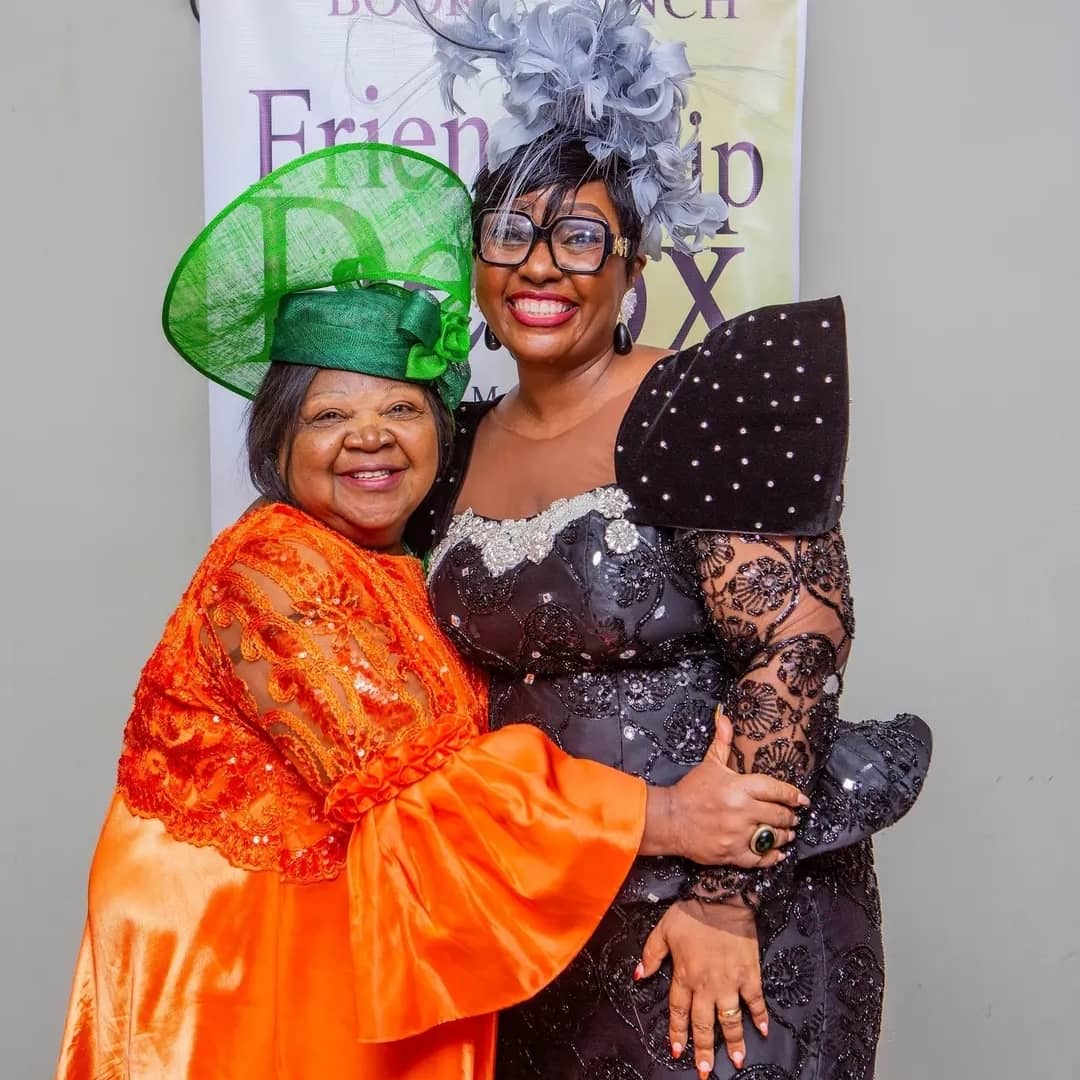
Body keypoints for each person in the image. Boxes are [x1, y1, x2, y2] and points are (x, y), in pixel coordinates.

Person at [55, 143, 817, 1080]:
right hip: (243, 979)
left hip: (369, 957)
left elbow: (794, 637)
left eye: (403, 411)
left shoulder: (396, 561)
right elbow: (425, 792)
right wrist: (665, 818)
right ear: (276, 439)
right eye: (328, 416)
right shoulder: (275, 569)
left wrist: (722, 886)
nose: (370, 439)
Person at [402, 3, 932, 1079]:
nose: (540, 266)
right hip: (542, 917)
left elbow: (797, 648)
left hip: (720, 918)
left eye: (579, 237)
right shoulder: (446, 448)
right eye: (509, 234)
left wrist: (727, 899)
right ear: (474, 265)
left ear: (632, 262)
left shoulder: (700, 402)